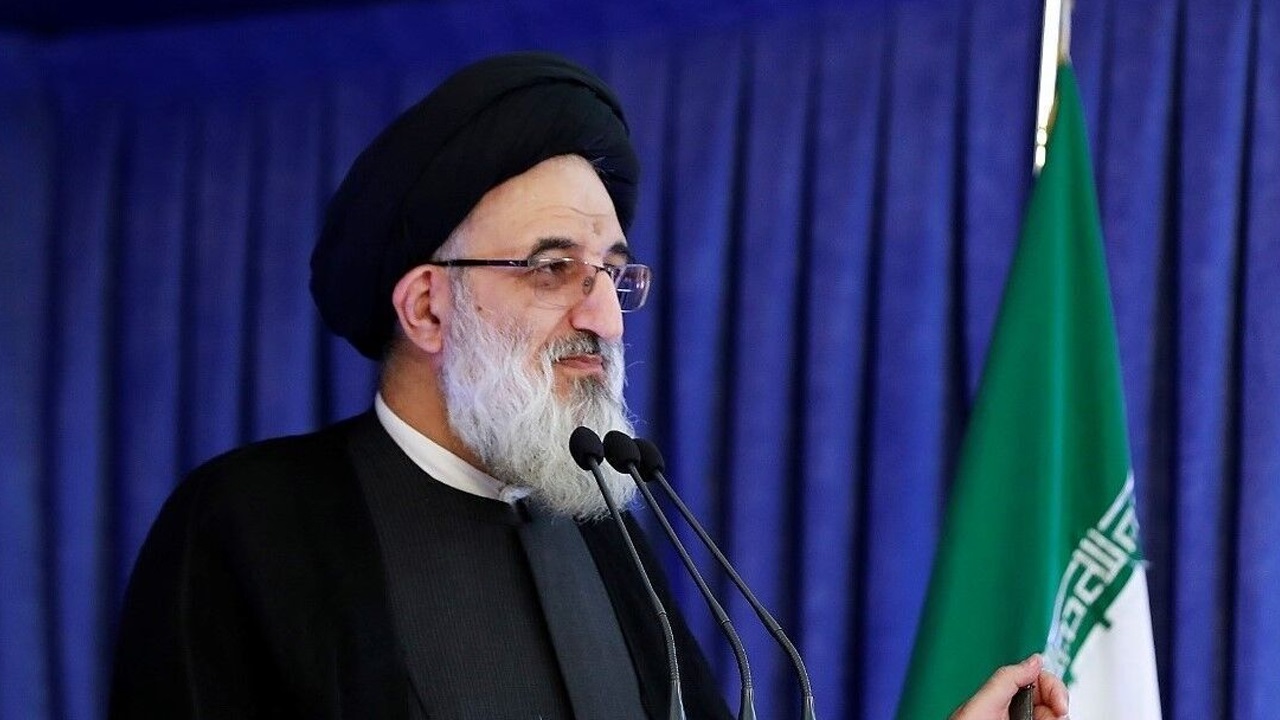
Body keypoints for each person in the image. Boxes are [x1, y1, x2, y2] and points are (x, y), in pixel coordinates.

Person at [109, 52, 1069, 720]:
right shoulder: (247, 527)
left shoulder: (608, 533)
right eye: (552, 267)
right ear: (428, 308)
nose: (605, 316)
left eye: (612, 271)